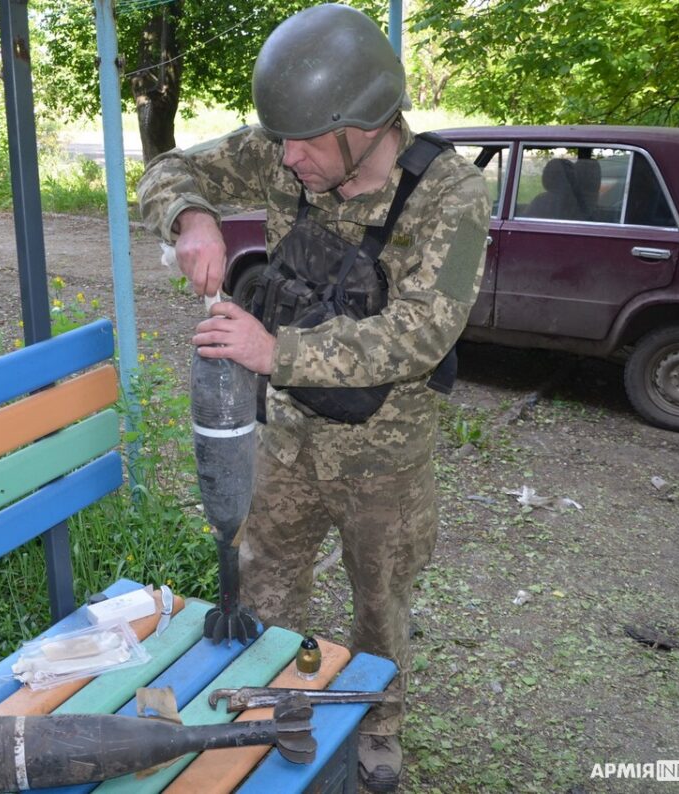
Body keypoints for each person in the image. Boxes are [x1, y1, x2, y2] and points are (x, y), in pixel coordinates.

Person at [137, 5, 490, 792]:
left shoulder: (449, 194)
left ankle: (378, 727)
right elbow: (169, 169)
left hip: (384, 461)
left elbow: (422, 332)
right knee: (265, 586)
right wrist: (191, 218)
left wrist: (277, 352)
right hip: (288, 443)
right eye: (282, 140)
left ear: (363, 125)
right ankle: (271, 712)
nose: (287, 158)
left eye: (304, 143)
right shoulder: (287, 150)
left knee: (380, 607)